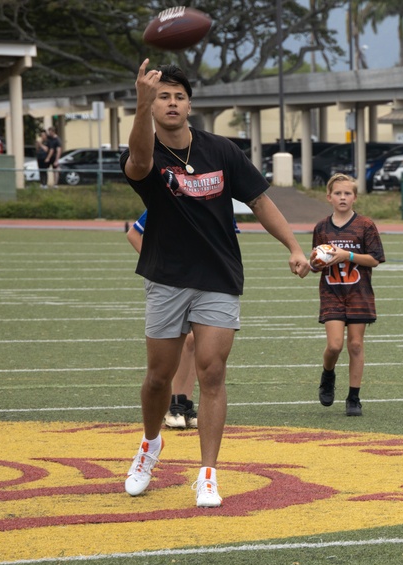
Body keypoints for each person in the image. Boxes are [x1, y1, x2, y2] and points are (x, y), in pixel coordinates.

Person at [120, 60, 310, 507]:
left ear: (190, 104)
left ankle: (207, 473)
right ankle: (150, 446)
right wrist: (141, 103)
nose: (171, 103)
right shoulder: (147, 149)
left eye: (178, 96)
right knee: (157, 379)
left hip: (218, 277)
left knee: (212, 370)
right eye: (163, 96)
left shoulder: (221, 150)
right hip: (166, 278)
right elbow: (140, 161)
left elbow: (260, 201)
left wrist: (294, 247)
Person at [312, 173, 386, 417]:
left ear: (355, 197)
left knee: (355, 344)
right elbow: (316, 263)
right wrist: (311, 264)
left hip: (358, 292)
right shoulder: (322, 227)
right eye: (337, 193)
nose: (342, 197)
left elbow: (375, 259)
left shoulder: (365, 225)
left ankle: (354, 397)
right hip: (332, 291)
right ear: (329, 197)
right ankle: (328, 374)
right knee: (334, 345)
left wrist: (348, 255)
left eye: (347, 193)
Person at [126, 210, 205, 430]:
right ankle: (173, 405)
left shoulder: (214, 199)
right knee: (175, 343)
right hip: (172, 284)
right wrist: (156, 264)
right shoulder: (168, 199)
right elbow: (134, 234)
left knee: (194, 341)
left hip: (205, 281)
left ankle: (184, 404)